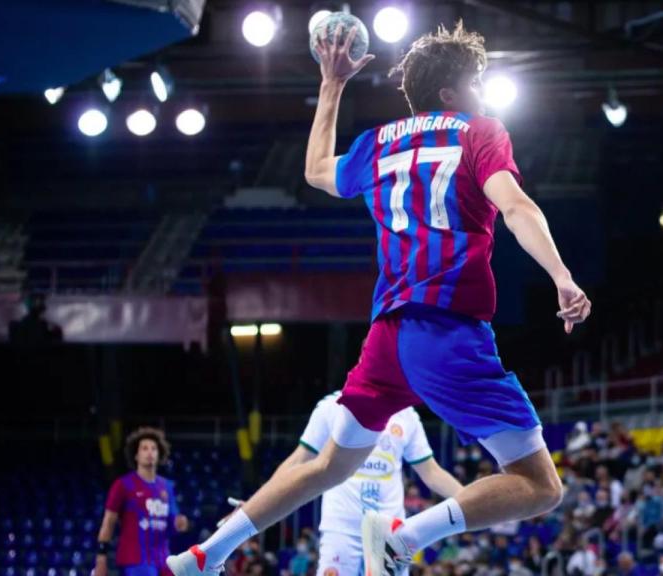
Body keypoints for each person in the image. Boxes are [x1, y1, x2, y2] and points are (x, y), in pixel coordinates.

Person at [169, 20, 590, 576]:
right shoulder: (479, 132)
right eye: (476, 83)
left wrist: (331, 84)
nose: (483, 94)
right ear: (450, 94)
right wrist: (561, 274)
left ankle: (205, 554)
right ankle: (401, 539)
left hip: (387, 336)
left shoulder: (378, 143)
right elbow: (516, 207)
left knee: (327, 467)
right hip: (446, 331)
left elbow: (316, 170)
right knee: (540, 486)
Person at [222, 392, 462, 576]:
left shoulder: (406, 415)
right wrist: (255, 503)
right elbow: (298, 461)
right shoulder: (332, 407)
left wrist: (473, 502)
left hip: (389, 531)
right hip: (342, 527)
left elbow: (432, 473)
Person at [96, 427, 189, 576]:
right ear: (136, 455)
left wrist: (180, 524)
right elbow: (108, 522)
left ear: (159, 454)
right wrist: (101, 558)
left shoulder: (167, 486)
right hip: (135, 560)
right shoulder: (123, 485)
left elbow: (173, 523)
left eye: (153, 448)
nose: (150, 452)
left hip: (163, 559)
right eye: (144, 448)